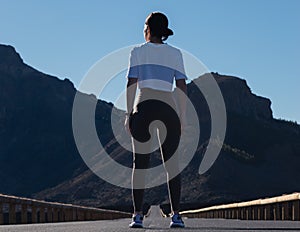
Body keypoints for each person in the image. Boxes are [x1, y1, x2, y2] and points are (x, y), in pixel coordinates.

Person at [124, 12, 187, 228]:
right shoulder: (176, 53)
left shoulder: (137, 52)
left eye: (144, 26)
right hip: (168, 106)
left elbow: (132, 83)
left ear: (148, 29)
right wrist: (182, 116)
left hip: (144, 104)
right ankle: (176, 215)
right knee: (172, 163)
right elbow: (181, 87)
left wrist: (129, 113)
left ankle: (137, 216)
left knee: (140, 164)